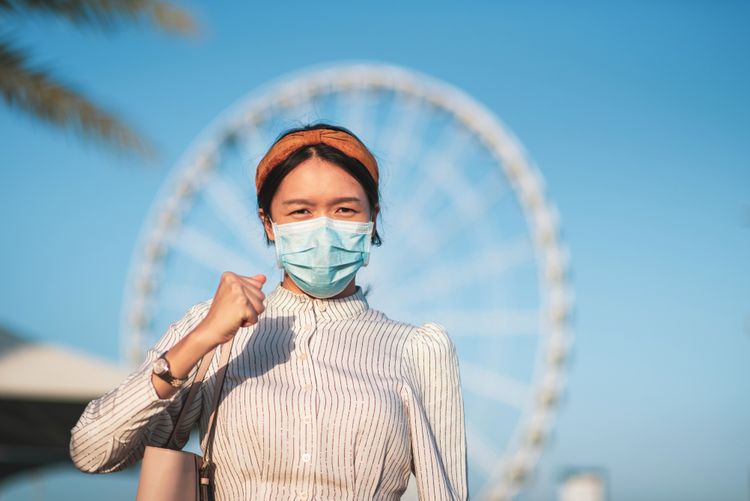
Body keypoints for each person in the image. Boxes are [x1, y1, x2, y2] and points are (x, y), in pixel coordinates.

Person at [69, 122, 468, 500]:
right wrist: (203, 338)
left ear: (373, 218)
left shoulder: (417, 349)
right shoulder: (215, 331)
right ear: (269, 224)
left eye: (345, 210)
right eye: (301, 212)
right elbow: (92, 452)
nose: (323, 228)